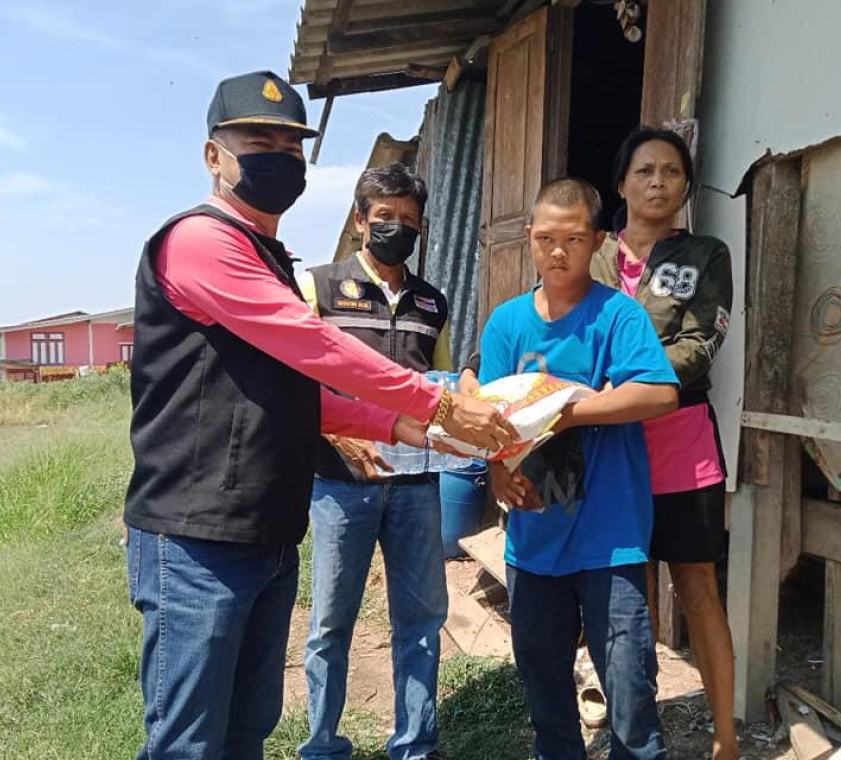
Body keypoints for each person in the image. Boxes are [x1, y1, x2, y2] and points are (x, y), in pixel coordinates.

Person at [122, 71, 516, 760]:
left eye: (291, 145)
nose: (279, 156)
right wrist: (440, 403)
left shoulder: (270, 258)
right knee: (188, 741)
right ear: (214, 155)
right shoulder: (200, 241)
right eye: (259, 142)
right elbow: (315, 347)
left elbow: (292, 389)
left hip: (267, 530)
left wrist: (400, 427)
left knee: (245, 730)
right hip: (196, 535)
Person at [481, 178, 679, 760]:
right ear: (528, 238)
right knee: (545, 690)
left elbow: (659, 393)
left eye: (572, 239)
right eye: (545, 238)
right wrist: (495, 470)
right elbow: (489, 416)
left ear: (597, 241)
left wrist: (564, 410)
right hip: (533, 542)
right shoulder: (507, 324)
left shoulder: (618, 316)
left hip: (609, 539)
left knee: (629, 689)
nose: (557, 252)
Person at [296, 162, 452, 760]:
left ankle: (415, 745)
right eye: (385, 216)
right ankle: (323, 746)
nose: (396, 228)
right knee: (330, 624)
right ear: (361, 220)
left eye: (408, 219)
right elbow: (295, 377)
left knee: (421, 622)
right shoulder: (318, 287)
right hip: (342, 482)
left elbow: (439, 386)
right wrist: (334, 436)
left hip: (416, 484)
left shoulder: (432, 302)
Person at [598, 126, 738, 760]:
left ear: (686, 187)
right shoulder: (592, 254)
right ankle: (633, 731)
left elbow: (699, 343)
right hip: (609, 449)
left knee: (699, 588)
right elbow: (553, 321)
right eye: (645, 170)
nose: (658, 181)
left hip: (682, 446)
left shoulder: (705, 254)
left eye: (672, 172)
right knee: (625, 596)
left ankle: (726, 738)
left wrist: (621, 381)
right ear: (622, 183)